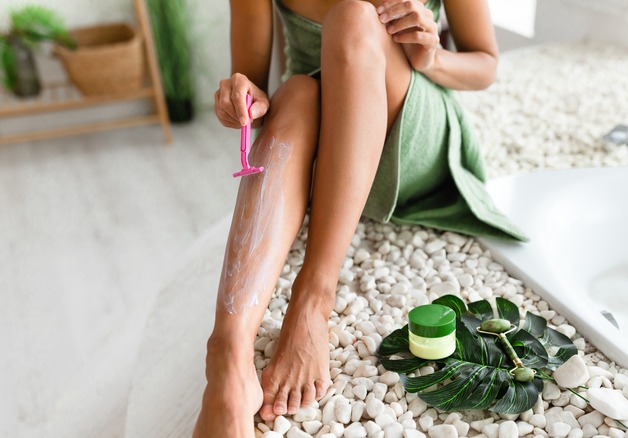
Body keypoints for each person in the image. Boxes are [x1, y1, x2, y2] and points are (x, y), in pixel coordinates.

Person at [194, 0, 525, 436]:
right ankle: (228, 352)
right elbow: (254, 91)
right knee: (294, 93)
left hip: (411, 128)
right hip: (327, 149)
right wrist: (240, 101)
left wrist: (432, 56)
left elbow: (486, 65)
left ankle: (313, 299)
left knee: (353, 14)